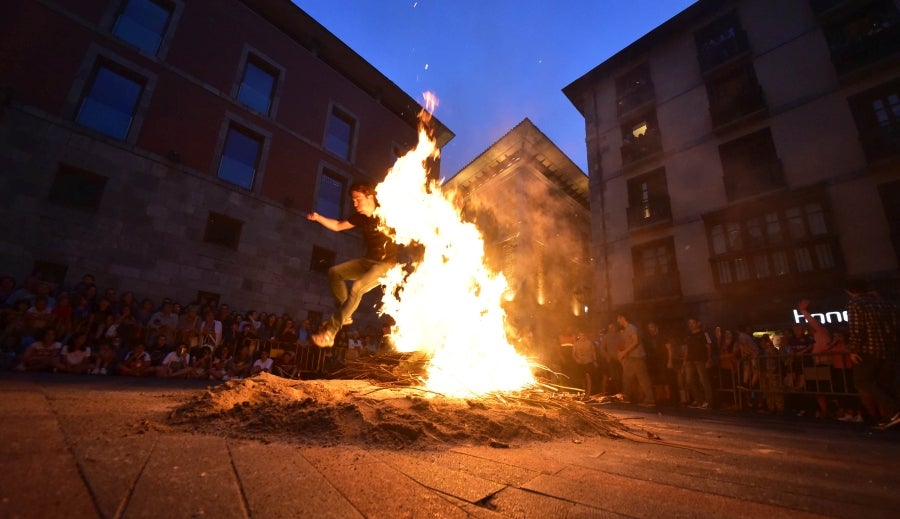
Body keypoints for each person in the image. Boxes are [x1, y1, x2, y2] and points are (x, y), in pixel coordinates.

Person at [308, 182, 398, 347]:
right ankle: (345, 311)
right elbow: (337, 225)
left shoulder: (388, 211)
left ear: (370, 196)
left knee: (357, 288)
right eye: (353, 200)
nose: (355, 203)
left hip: (386, 265)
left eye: (358, 199)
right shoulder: (360, 217)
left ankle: (330, 333)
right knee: (334, 272)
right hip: (367, 261)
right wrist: (319, 218)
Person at [844, 279, 900, 429]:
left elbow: (857, 328)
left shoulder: (856, 304)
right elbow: (895, 325)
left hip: (868, 350)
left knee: (862, 381)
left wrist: (854, 349)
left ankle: (894, 410)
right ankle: (890, 417)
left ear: (849, 291)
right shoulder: (884, 303)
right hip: (888, 350)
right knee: (884, 384)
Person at [616, 313, 655, 407]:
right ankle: (626, 397)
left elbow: (636, 341)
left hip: (637, 357)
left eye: (618, 318)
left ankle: (650, 400)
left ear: (623, 318)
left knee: (642, 378)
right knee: (627, 378)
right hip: (631, 357)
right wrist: (622, 353)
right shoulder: (625, 330)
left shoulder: (631, 328)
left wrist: (624, 352)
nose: (617, 321)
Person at [683, 317, 714, 409]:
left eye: (693, 323)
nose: (691, 325)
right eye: (689, 323)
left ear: (698, 323)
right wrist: (685, 360)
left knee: (704, 381)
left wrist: (709, 359)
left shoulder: (705, 334)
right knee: (689, 380)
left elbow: (709, 346)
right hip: (690, 360)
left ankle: (709, 402)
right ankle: (699, 400)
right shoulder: (688, 335)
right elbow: (687, 348)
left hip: (700, 360)